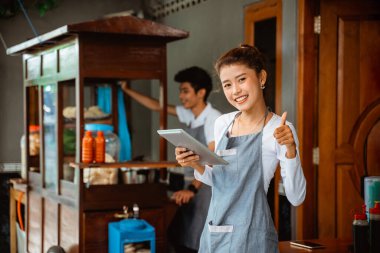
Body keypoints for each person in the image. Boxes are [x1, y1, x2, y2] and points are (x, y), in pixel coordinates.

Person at [174, 45, 306, 252]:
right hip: (215, 234)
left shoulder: (279, 128)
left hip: (252, 237)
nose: (235, 91)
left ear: (261, 78)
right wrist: (195, 164)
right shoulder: (223, 123)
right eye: (227, 84)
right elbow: (219, 181)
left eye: (242, 79)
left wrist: (291, 151)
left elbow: (297, 197)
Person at [121, 66, 221, 253]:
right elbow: (157, 106)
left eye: (185, 91)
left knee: (200, 242)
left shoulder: (213, 119)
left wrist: (191, 189)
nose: (181, 96)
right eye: (180, 91)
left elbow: (210, 160)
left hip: (206, 189)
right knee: (182, 238)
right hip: (192, 186)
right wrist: (127, 90)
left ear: (201, 92)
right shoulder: (192, 114)